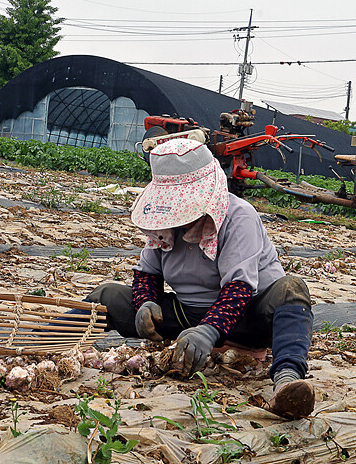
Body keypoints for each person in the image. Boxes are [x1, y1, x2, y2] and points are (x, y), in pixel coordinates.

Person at [86, 137, 316, 419]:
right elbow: (147, 273)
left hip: (247, 317)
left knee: (291, 289)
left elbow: (239, 290)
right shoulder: (164, 222)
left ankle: (287, 378)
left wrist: (209, 331)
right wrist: (145, 303)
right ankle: (42, 344)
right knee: (107, 297)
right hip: (188, 316)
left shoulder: (238, 217)